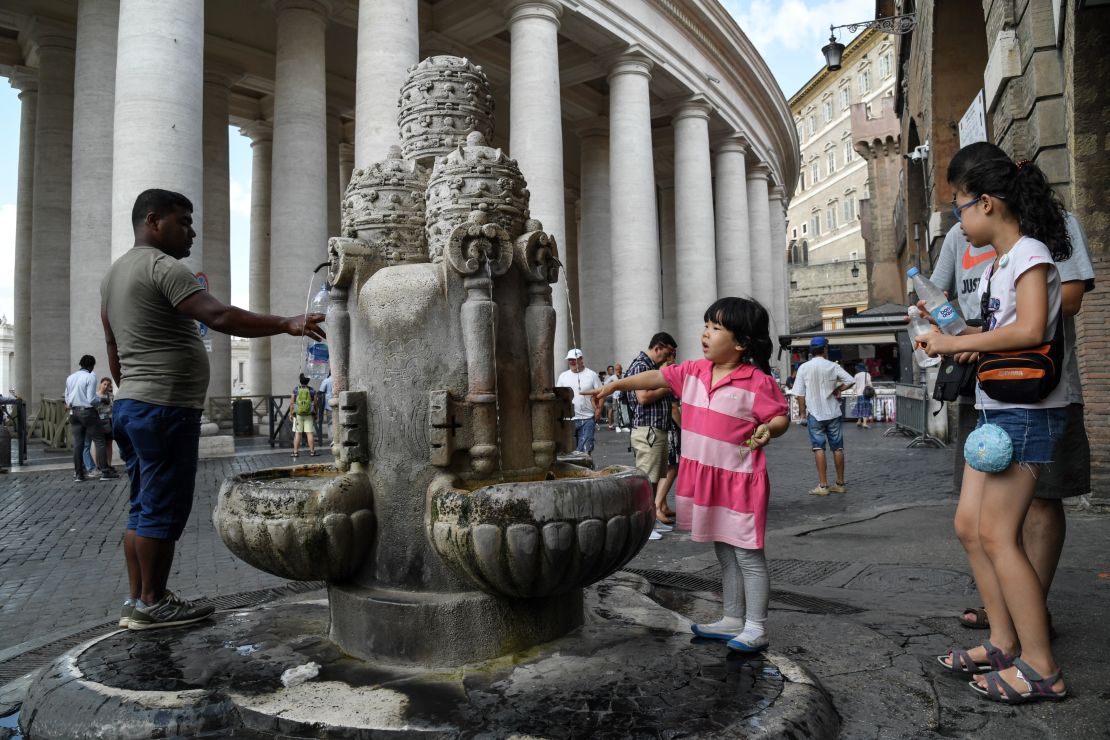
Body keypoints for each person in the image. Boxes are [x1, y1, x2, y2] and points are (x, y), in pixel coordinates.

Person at [101, 188, 325, 631]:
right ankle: (154, 600)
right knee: (164, 508)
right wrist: (286, 324)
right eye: (182, 220)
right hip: (164, 407)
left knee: (141, 506)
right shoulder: (164, 268)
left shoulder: (114, 274)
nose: (191, 230)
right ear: (153, 221)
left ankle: (136, 600)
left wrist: (133, 388)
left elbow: (112, 344)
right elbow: (218, 316)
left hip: (134, 405)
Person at [919, 151, 1070, 702]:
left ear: (985, 202)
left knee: (1000, 535)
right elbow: (1006, 331)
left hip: (1025, 412)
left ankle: (1042, 668)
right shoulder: (1001, 262)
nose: (960, 221)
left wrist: (958, 342)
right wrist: (962, 342)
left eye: (960, 208)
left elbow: (1031, 328)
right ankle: (1004, 641)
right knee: (971, 527)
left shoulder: (1028, 253)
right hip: (997, 407)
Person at [591, 298, 789, 652]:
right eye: (706, 326)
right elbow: (654, 376)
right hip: (708, 478)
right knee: (725, 552)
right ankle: (732, 618)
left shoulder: (756, 381)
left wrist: (768, 431)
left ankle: (756, 626)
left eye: (716, 328)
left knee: (748, 555)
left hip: (739, 479)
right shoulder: (694, 371)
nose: (705, 334)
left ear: (741, 342)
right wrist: (614, 386)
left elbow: (779, 416)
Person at [792, 337, 854, 495]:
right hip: (833, 412)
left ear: (811, 351)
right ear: (825, 349)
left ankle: (823, 486)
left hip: (815, 413)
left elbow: (799, 394)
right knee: (838, 448)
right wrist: (839, 389)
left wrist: (803, 413)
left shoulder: (804, 368)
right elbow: (851, 380)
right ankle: (840, 484)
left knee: (818, 448)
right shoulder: (833, 366)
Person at [623, 333, 678, 510]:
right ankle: (645, 521)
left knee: (654, 478)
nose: (668, 358)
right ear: (658, 348)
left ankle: (652, 517)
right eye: (667, 353)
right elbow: (643, 397)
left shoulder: (650, 366)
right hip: (648, 430)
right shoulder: (641, 366)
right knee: (647, 479)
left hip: (656, 429)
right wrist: (667, 387)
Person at [64, 355, 118, 482]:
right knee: (100, 441)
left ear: (80, 364)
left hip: (74, 412)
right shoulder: (91, 376)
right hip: (87, 412)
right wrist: (101, 400)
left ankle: (79, 474)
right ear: (92, 365)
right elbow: (91, 399)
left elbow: (67, 396)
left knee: (78, 444)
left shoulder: (70, 377)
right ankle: (105, 472)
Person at [555, 349, 603, 454]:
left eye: (574, 359)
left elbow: (601, 392)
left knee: (585, 451)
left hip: (587, 418)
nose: (572, 362)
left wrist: (599, 409)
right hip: (568, 419)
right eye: (570, 360)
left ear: (581, 360)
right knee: (568, 452)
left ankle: (586, 470)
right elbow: (557, 396)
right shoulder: (563, 376)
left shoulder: (591, 374)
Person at [288, 374, 319, 458]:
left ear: (300, 380)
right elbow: (315, 403)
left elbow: (291, 403)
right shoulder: (312, 390)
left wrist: (291, 413)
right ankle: (312, 452)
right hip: (309, 414)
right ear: (308, 381)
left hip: (298, 415)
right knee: (310, 433)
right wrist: (316, 413)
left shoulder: (295, 390)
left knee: (298, 434)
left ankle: (295, 452)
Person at [94, 377, 116, 470]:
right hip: (98, 421)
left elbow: (113, 408)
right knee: (97, 443)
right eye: (104, 384)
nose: (106, 386)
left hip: (109, 420)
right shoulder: (95, 395)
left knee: (109, 443)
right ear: (100, 384)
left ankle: (109, 464)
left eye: (108, 385)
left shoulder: (111, 396)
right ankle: (97, 465)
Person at [851, 363, 874, 428]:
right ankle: (864, 423)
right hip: (865, 393)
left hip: (859, 394)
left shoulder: (856, 375)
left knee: (860, 407)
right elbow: (869, 383)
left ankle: (859, 421)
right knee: (865, 408)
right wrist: (873, 391)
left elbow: (854, 385)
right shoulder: (867, 374)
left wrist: (853, 394)